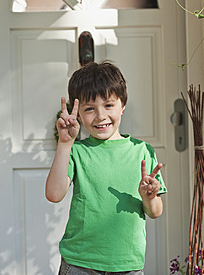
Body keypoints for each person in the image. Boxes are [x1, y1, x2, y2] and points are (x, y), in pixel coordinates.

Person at [46, 61, 167, 275]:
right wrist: (65, 143)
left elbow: (155, 211)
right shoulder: (77, 151)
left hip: (127, 265)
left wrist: (149, 196)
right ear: (80, 115)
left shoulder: (142, 151)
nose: (101, 116)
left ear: (123, 105)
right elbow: (54, 194)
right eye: (90, 109)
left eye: (108, 105)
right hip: (79, 263)